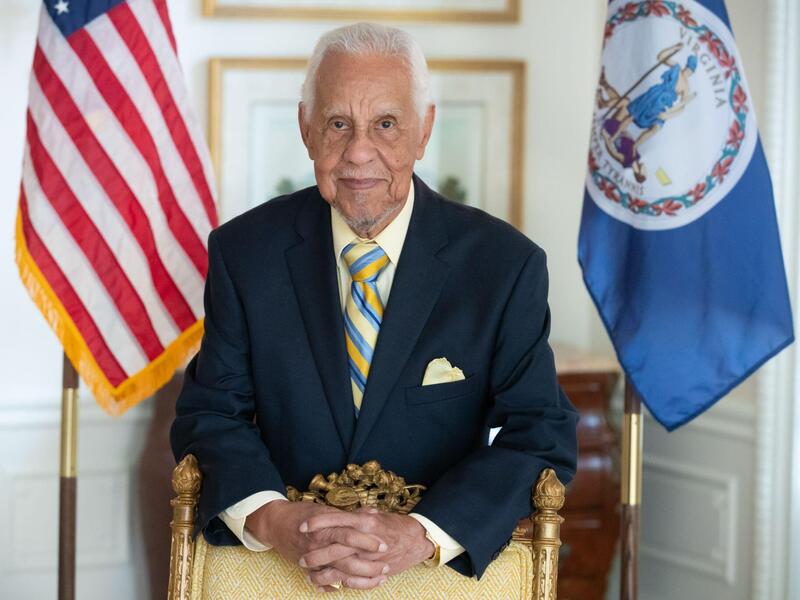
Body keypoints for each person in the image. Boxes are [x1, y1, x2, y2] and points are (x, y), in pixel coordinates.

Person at [171, 22, 578, 593]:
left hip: (435, 574)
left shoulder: (504, 266)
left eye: (385, 124)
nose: (358, 152)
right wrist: (278, 520)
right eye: (338, 124)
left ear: (424, 130)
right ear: (307, 129)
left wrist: (421, 533)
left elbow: (540, 435)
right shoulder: (245, 253)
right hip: (282, 569)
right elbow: (210, 416)